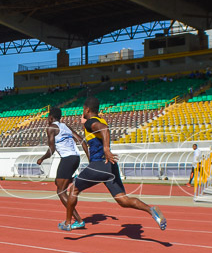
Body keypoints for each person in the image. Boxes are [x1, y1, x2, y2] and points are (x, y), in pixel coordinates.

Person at [58, 97, 166, 231]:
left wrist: (106, 149)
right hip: (111, 165)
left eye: (83, 110)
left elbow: (103, 129)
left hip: (99, 165)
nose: (82, 113)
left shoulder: (90, 123)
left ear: (87, 110)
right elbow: (102, 128)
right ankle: (151, 209)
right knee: (123, 200)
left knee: (73, 189)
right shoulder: (100, 120)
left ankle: (69, 222)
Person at [36, 106, 85, 229]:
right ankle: (74, 179)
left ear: (51, 117)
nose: (47, 119)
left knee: (60, 191)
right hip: (76, 158)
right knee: (58, 182)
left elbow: (51, 150)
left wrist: (42, 158)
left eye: (48, 117)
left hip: (67, 159)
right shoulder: (66, 126)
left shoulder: (51, 127)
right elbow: (81, 140)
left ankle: (78, 220)